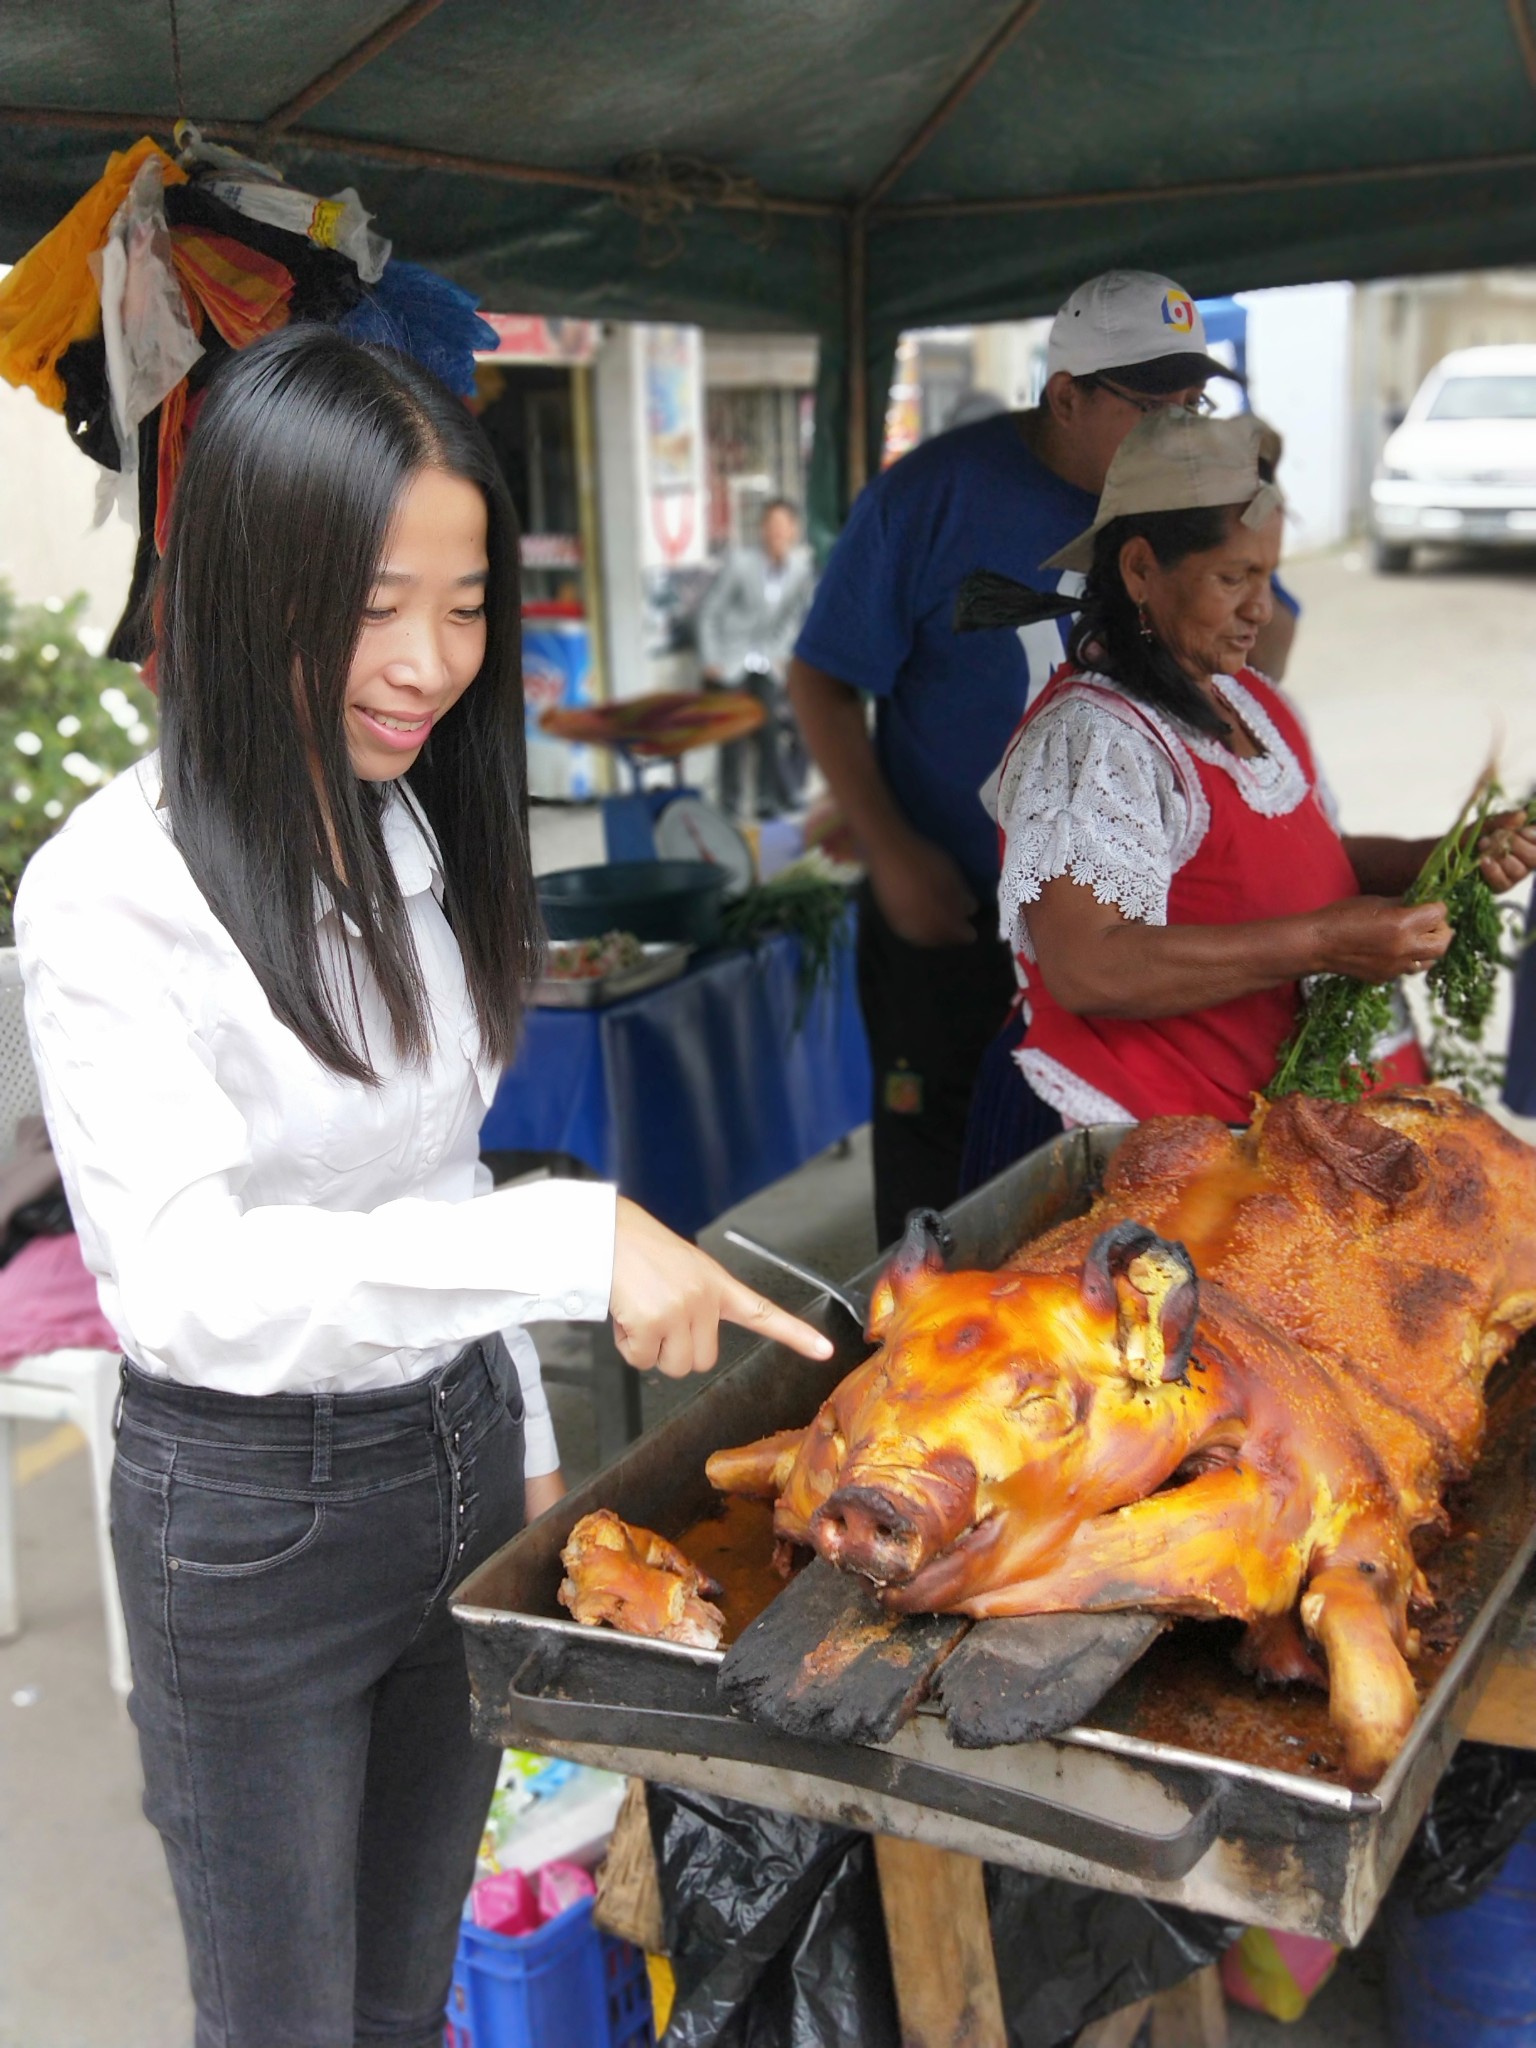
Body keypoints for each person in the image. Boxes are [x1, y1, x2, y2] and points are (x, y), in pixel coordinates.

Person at [14, 326, 832, 2048]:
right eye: (379, 604)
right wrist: (565, 1241)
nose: (431, 662)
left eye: (466, 607)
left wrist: (522, 1433)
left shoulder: (402, 826)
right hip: (251, 1519)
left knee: (401, 1998)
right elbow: (186, 1283)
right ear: (249, 579)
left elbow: (431, 1167)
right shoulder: (109, 894)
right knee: (287, 2021)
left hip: (453, 1458)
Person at [788, 270, 1298, 1246]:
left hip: (1129, 931)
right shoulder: (929, 498)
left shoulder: (1190, 498)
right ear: (1067, 396)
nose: (1180, 426)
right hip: (953, 913)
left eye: (1195, 401)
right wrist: (891, 851)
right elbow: (822, 676)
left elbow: (1261, 646)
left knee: (1129, 1194)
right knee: (941, 1197)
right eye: (1155, 407)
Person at [954, 405, 1536, 1181]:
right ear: (1139, 571)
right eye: (1234, 578)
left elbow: (1307, 863)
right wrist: (1326, 942)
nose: (1262, 608)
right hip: (1127, 1143)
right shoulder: (1092, 741)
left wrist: (1445, 858)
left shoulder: (1251, 703)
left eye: (1268, 575)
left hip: (1250, 1134)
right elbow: (1088, 967)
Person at [698, 496, 816, 817]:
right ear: (762, 529)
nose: (776, 532)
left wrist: (781, 654)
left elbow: (794, 620)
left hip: (765, 660)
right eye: (771, 525)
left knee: (769, 727)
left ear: (793, 530)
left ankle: (766, 799)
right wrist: (711, 658)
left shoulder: (799, 570)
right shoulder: (740, 564)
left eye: (783, 526)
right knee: (732, 733)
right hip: (729, 658)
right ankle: (730, 803)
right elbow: (709, 612)